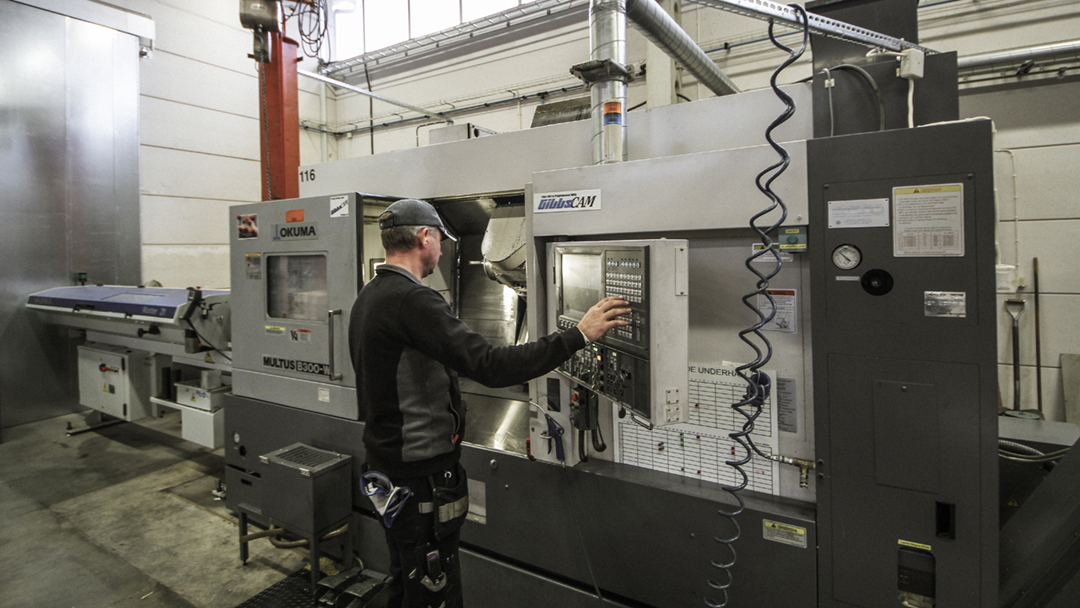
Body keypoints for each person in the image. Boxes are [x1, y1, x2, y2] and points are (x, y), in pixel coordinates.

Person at [349, 199, 628, 608]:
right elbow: (491, 366)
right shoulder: (413, 300)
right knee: (434, 590)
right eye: (440, 238)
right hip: (421, 479)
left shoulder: (370, 295)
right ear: (424, 237)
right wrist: (579, 335)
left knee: (406, 580)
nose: (442, 248)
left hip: (388, 470)